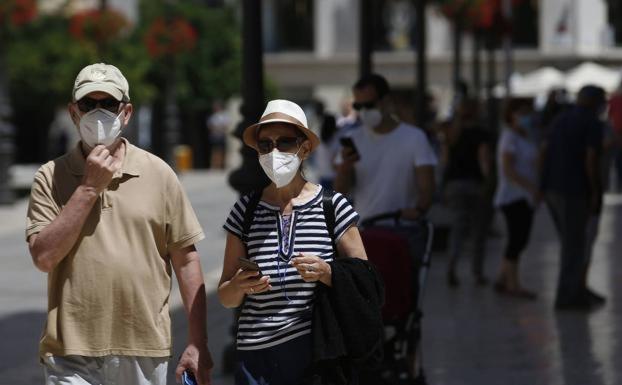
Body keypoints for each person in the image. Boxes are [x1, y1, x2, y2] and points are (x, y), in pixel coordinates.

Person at [25, 63, 213, 385]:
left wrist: (197, 342)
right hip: (71, 352)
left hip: (143, 348)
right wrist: (88, 188)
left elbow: (186, 259)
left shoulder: (159, 173)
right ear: (73, 112)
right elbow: (44, 257)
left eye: (108, 104)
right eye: (88, 105)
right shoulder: (50, 176)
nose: (98, 113)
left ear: (126, 112)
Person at [217, 99, 371, 385]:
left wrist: (328, 272)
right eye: (265, 145)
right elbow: (226, 297)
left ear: (305, 147)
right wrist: (238, 286)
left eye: (285, 142)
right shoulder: (245, 211)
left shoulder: (333, 206)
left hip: (314, 355)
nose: (274, 152)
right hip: (256, 360)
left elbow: (365, 281)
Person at [333, 73, 437, 223]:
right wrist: (345, 167)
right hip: (365, 228)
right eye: (358, 106)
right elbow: (340, 192)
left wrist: (419, 211)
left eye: (369, 105)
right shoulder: (353, 138)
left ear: (386, 101)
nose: (363, 111)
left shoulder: (415, 138)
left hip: (403, 229)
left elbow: (427, 186)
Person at [541, 84, 607, 310]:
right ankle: (568, 297)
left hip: (553, 189)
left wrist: (542, 185)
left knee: (571, 243)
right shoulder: (592, 123)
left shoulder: (560, 120)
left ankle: (576, 291)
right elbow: (591, 159)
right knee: (574, 245)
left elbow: (544, 150)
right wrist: (595, 190)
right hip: (575, 191)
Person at [441, 98, 493, 286]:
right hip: (475, 185)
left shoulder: (451, 133)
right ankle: (477, 273)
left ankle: (452, 267)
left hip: (454, 185)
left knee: (458, 229)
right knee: (478, 231)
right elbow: (484, 159)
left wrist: (443, 186)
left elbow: (445, 162)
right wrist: (488, 182)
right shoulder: (481, 134)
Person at [492, 101, 540, 298]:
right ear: (511, 115)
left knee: (520, 238)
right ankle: (513, 284)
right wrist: (530, 187)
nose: (526, 117)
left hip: (524, 196)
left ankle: (503, 277)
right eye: (521, 113)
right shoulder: (509, 137)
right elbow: (507, 169)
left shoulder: (525, 137)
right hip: (513, 196)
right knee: (517, 239)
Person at [206, 101, 231, 169]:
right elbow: (210, 127)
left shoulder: (223, 116)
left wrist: (218, 128)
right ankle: (215, 165)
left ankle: (222, 164)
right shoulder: (212, 117)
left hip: (221, 136)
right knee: (215, 151)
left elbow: (226, 126)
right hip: (215, 136)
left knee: (223, 151)